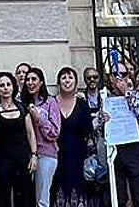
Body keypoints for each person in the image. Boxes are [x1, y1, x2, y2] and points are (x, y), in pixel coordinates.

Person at [0, 72, 36, 207]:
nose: (6, 88)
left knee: (24, 196)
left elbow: (30, 133)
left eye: (8, 85)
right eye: (2, 85)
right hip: (1, 160)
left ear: (13, 87)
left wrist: (34, 155)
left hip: (22, 158)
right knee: (2, 197)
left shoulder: (22, 107)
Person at [104, 61, 139, 207]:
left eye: (123, 74)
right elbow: (97, 126)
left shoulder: (136, 94)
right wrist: (100, 119)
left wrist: (126, 94)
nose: (119, 78)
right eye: (116, 75)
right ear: (110, 77)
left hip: (133, 148)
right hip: (115, 150)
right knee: (119, 196)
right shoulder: (104, 96)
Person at [51, 67, 94, 207]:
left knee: (77, 189)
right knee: (57, 189)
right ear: (58, 83)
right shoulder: (51, 103)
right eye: (63, 78)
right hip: (56, 154)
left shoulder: (82, 104)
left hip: (77, 155)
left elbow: (88, 130)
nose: (67, 81)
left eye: (70, 77)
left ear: (76, 83)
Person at [20, 68, 60, 207]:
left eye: (34, 79)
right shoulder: (20, 103)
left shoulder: (50, 102)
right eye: (28, 80)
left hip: (46, 153)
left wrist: (38, 118)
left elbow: (54, 132)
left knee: (42, 199)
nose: (30, 83)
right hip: (25, 154)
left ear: (41, 82)